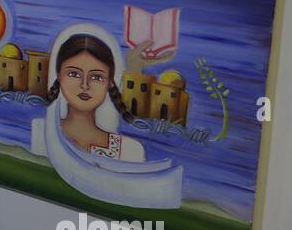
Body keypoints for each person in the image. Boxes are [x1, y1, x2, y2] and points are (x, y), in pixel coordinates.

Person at [30, 23, 183, 208]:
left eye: (96, 77)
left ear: (109, 83)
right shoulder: (40, 133)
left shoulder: (130, 150)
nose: (85, 85)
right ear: (59, 77)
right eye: (74, 74)